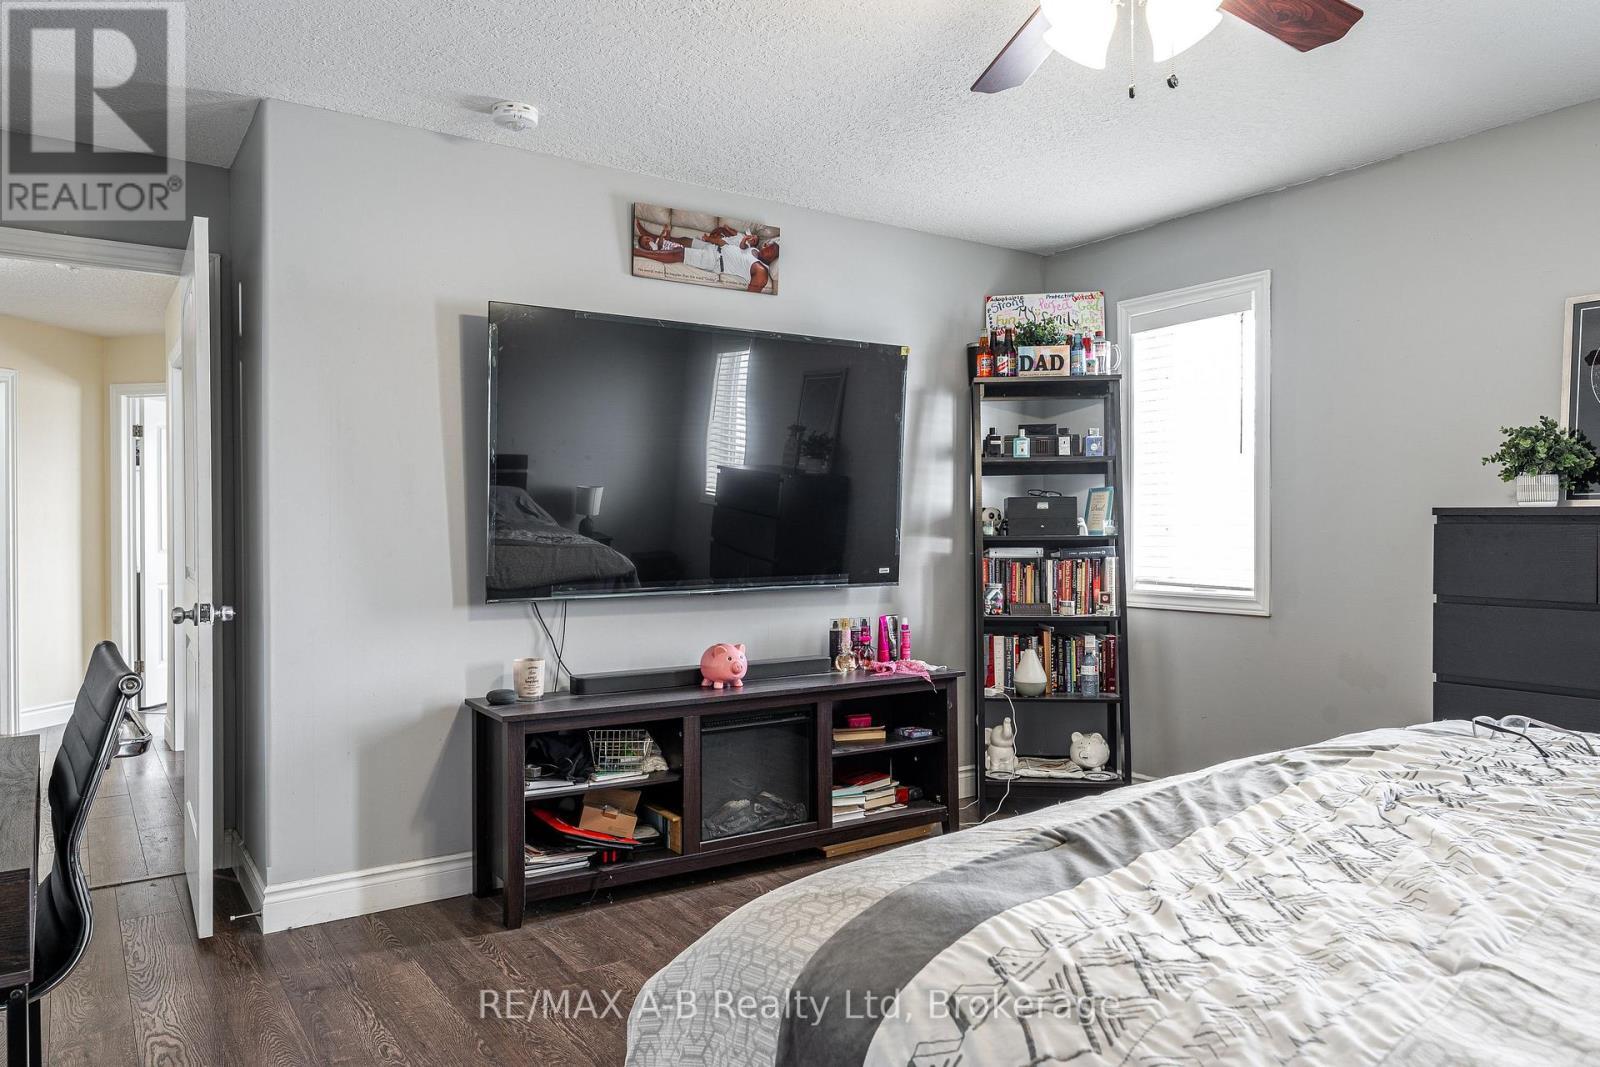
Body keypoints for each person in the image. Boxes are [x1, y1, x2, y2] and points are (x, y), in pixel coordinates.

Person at [635, 219, 779, 293]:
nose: (765, 248)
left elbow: (751, 300)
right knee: (684, 240)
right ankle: (649, 236)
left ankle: (641, 252)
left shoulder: (761, 271)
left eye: (769, 250)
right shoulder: (754, 251)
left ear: (772, 258)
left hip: (715, 260)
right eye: (767, 246)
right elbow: (741, 248)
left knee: (679, 253)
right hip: (716, 247)